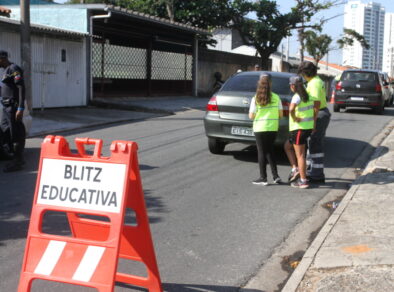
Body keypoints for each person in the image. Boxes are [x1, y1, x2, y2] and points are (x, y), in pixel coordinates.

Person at [298, 61, 331, 183]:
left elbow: (316, 104)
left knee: (315, 144)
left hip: (319, 114)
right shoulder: (314, 81)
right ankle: (313, 171)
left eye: (301, 73)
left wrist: (313, 122)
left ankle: (317, 175)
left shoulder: (315, 83)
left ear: (305, 73)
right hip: (319, 114)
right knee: (313, 144)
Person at [249, 73, 282, 186]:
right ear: (270, 84)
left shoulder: (256, 98)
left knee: (262, 152)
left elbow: (251, 116)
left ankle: (263, 178)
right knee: (270, 151)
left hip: (260, 128)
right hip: (272, 127)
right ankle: (276, 176)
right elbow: (281, 114)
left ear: (259, 83)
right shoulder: (277, 97)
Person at [284, 76, 316, 189]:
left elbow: (291, 109)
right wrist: (313, 125)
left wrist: (294, 117)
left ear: (293, 86)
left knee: (301, 155)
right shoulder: (309, 96)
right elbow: (315, 110)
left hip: (299, 129)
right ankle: (295, 169)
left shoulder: (297, 97)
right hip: (306, 128)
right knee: (287, 146)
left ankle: (303, 181)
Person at [0, 50, 26, 172]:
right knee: (6, 130)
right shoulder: (5, 71)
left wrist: (20, 108)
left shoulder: (13, 68)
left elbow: (21, 88)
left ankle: (17, 162)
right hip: (5, 107)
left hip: (13, 107)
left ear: (2, 59)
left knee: (15, 133)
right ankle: (13, 157)